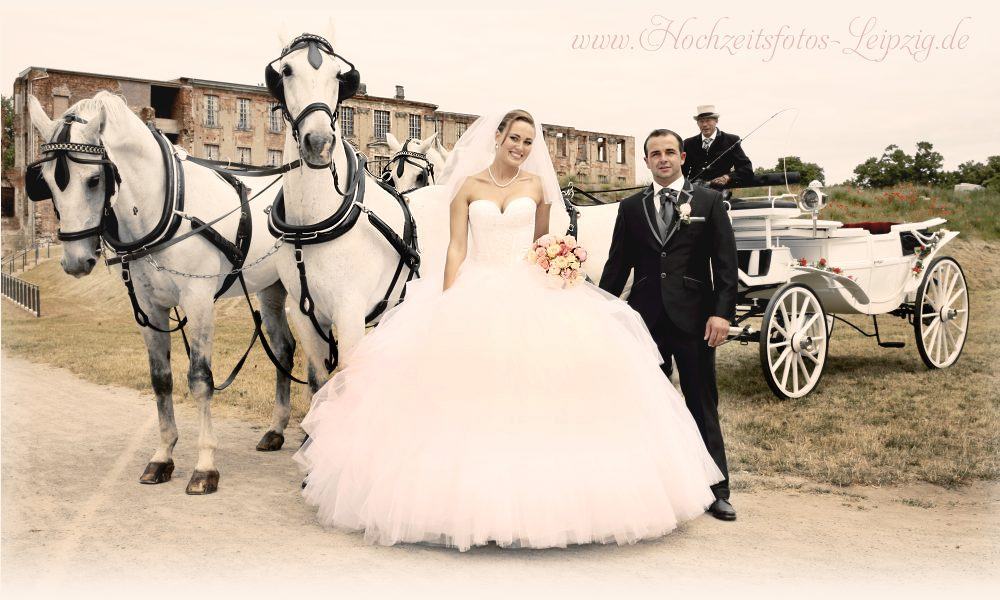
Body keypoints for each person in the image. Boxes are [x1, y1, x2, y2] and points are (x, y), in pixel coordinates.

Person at [294, 109, 725, 551]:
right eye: (514, 139)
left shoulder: (536, 187)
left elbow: (540, 245)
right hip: (476, 286)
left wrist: (559, 264)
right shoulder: (468, 187)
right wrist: (446, 299)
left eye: (527, 142)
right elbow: (457, 246)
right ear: (497, 137)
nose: (520, 148)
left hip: (528, 291)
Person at [599, 128, 739, 521]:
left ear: (681, 157)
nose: (663, 158)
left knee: (701, 403)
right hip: (644, 321)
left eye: (670, 152)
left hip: (696, 320)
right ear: (645, 161)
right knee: (649, 406)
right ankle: (656, 490)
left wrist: (722, 313)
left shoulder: (709, 202)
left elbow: (726, 265)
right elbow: (616, 266)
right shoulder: (630, 208)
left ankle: (718, 490)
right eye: (654, 153)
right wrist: (600, 310)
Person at [681, 105, 753, 189]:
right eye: (701, 121)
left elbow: (746, 168)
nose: (704, 124)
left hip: (720, 191)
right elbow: (682, 170)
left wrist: (727, 177)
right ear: (697, 123)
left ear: (716, 121)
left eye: (708, 120)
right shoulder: (688, 143)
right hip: (694, 190)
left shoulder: (731, 140)